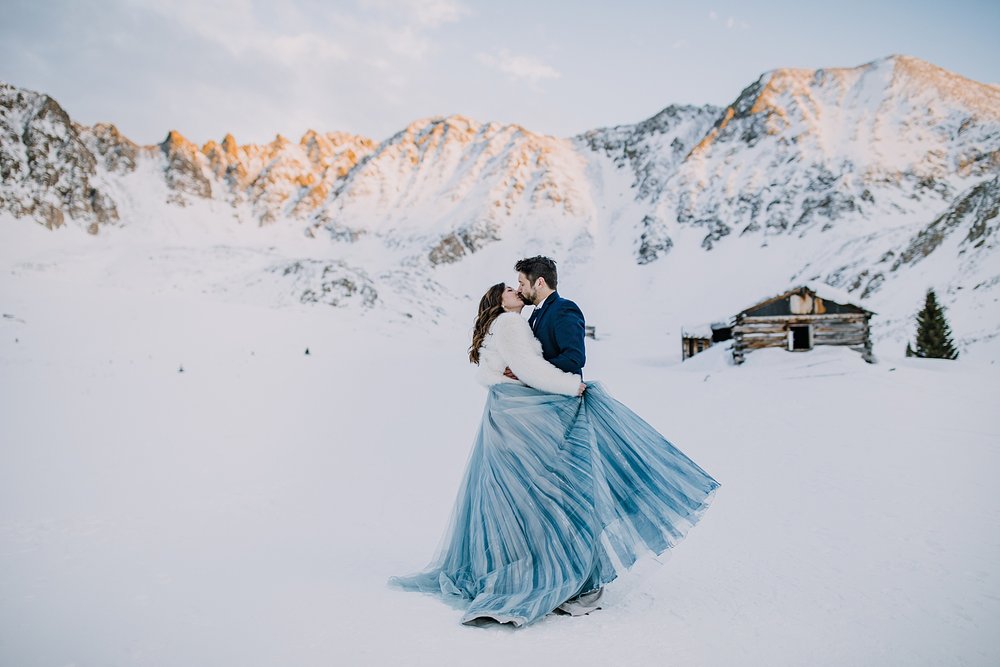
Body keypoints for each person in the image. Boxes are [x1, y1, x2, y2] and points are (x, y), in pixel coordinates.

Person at [388, 276, 720, 628]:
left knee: (511, 493)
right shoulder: (512, 322)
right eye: (511, 289)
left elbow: (495, 368)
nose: (517, 291)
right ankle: (548, 570)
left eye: (519, 285)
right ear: (502, 301)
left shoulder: (505, 323)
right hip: (523, 415)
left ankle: (514, 561)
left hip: (505, 412)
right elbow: (530, 368)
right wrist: (570, 386)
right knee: (543, 491)